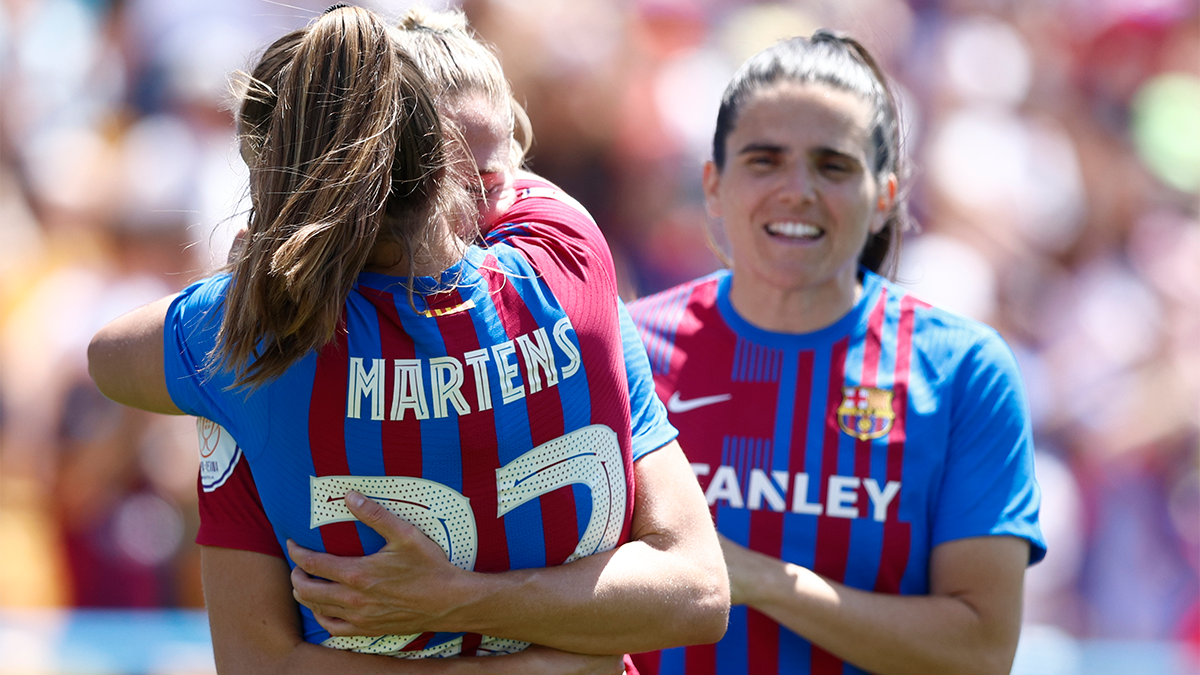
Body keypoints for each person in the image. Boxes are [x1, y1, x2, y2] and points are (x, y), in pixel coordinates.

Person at [88, 6, 727, 674]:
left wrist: (256, 270)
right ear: (444, 174)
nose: (494, 210)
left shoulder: (253, 340)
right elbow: (700, 591)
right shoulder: (570, 255)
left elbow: (108, 358)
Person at [626, 32, 1046, 675]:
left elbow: (981, 650)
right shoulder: (625, 350)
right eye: (765, 160)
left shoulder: (964, 371)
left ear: (884, 197)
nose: (797, 190)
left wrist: (759, 580)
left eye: (833, 165)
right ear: (713, 185)